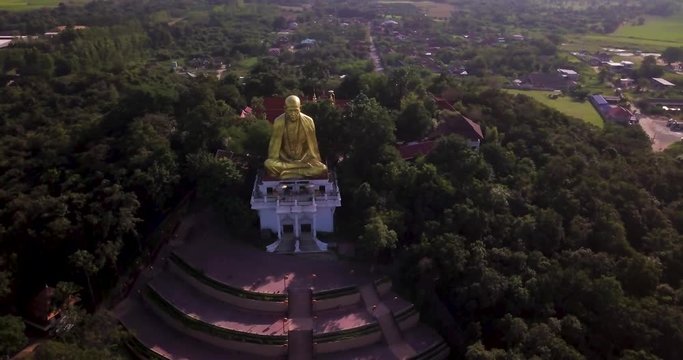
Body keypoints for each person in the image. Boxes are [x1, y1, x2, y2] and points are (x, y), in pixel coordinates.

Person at [264, 95, 327, 179]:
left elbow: (312, 148)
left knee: (322, 168)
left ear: (300, 108)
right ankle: (297, 171)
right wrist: (291, 161)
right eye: (290, 111)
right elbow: (275, 149)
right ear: (285, 108)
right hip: (286, 160)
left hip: (304, 160)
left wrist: (303, 160)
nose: (293, 114)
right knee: (268, 163)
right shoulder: (279, 122)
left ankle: (288, 173)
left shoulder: (308, 121)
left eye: (296, 110)